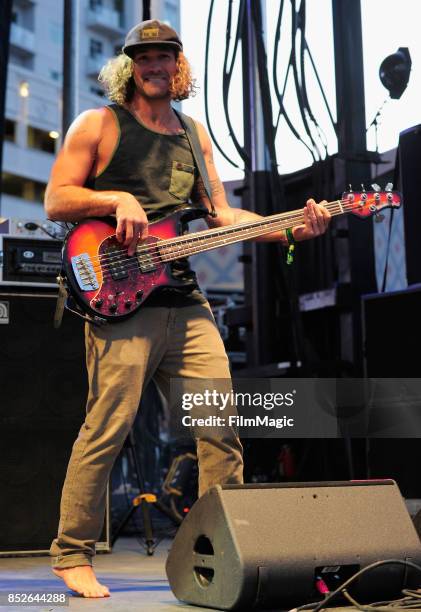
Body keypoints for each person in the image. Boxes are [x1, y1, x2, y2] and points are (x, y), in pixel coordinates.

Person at [44, 19, 331, 598]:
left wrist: (292, 229)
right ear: (129, 66)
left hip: (183, 296)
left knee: (220, 427)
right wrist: (117, 196)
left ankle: (222, 549)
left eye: (164, 57)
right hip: (120, 296)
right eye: (143, 57)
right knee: (108, 426)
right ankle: (71, 554)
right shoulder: (98, 124)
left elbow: (223, 215)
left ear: (179, 65)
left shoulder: (192, 136)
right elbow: (57, 199)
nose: (154, 66)